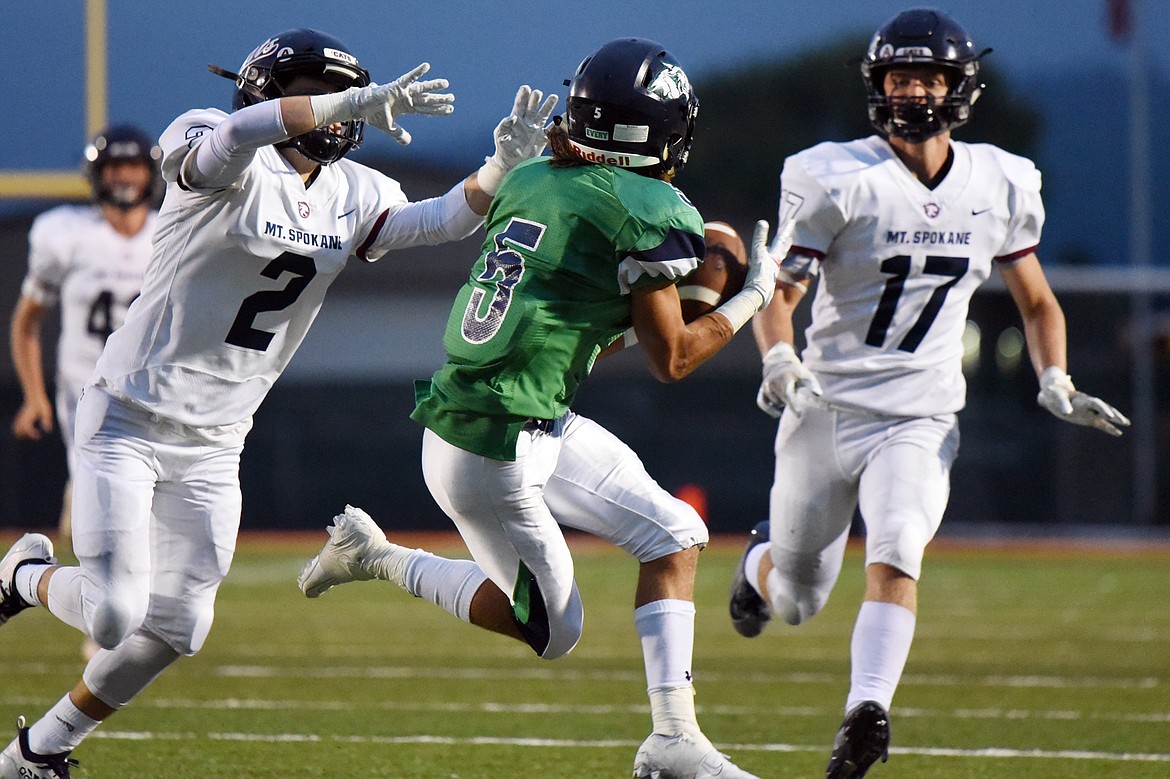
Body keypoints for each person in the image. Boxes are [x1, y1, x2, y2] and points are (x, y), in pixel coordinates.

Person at [0, 27, 555, 778]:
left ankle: (39, 750)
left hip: (217, 437)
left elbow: (439, 220)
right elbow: (231, 136)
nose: (340, 115)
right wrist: (350, 99)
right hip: (128, 415)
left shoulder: (355, 191)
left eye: (346, 98)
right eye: (322, 95)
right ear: (277, 90)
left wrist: (498, 169)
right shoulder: (209, 138)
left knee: (182, 625)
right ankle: (20, 574)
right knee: (110, 611)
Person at [297, 37, 781, 779]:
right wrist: (748, 299)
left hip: (517, 416)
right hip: (490, 448)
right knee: (554, 629)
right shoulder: (650, 208)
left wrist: (666, 304)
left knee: (676, 532)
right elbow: (674, 357)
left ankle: (674, 738)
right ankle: (376, 554)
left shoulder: (531, 178)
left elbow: (571, 320)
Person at [726, 8, 1130, 779]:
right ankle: (757, 568)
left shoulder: (999, 180)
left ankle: (866, 712)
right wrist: (778, 357)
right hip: (825, 405)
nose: (913, 90)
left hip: (920, 413)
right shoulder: (833, 175)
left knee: (897, 550)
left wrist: (1055, 377)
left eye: (928, 76)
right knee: (798, 598)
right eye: (899, 76)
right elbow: (777, 288)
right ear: (877, 85)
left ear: (958, 86)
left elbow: (1037, 300)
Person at [10, 125, 160, 546]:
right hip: (86, 384)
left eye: (132, 165)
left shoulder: (171, 234)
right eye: (114, 166)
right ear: (97, 174)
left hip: (154, 383)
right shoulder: (66, 235)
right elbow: (27, 322)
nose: (124, 177)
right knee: (102, 502)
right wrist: (34, 395)